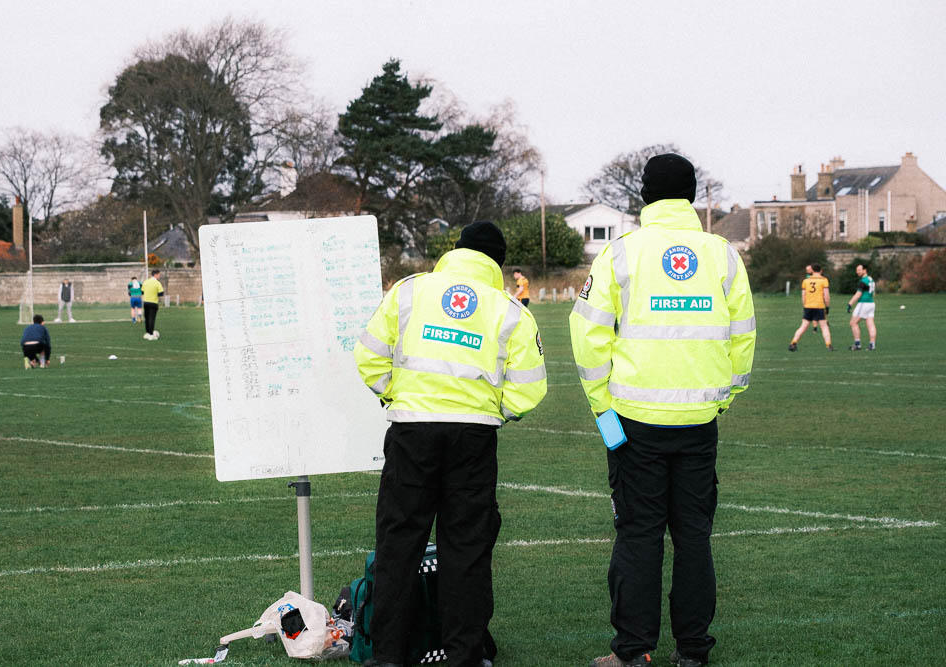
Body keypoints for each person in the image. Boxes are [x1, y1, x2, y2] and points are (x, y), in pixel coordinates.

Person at [569, 154, 755, 667]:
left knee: (639, 536)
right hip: (699, 422)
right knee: (694, 538)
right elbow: (744, 337)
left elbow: (587, 335)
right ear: (691, 196)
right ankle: (693, 652)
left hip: (632, 422)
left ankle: (633, 653)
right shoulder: (723, 254)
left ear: (646, 194)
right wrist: (722, 399)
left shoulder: (621, 253)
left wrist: (602, 410)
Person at [354, 221, 547, 667]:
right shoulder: (509, 308)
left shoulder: (408, 291)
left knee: (399, 543)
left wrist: (395, 395)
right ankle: (465, 654)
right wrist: (495, 411)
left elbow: (368, 355)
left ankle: (388, 655)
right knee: (467, 549)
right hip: (473, 437)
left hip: (411, 430)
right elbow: (530, 388)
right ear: (497, 263)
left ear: (455, 250)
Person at [788, 263, 832, 351]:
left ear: (812, 270)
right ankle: (828, 345)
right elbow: (826, 296)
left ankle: (793, 343)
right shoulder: (824, 280)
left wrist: (804, 306)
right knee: (824, 326)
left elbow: (803, 296)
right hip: (819, 306)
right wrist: (827, 307)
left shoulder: (806, 281)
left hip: (808, 306)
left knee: (803, 326)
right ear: (821, 270)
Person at [847, 263, 876, 350]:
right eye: (857, 270)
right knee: (870, 324)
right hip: (871, 303)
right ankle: (872, 344)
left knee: (853, 323)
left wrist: (850, 303)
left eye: (859, 270)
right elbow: (873, 293)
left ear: (864, 270)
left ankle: (857, 344)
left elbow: (858, 294)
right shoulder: (871, 279)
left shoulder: (863, 281)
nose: (857, 272)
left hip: (864, 303)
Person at [141, 270, 165, 340]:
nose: (159, 276)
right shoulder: (157, 283)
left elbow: (142, 292)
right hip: (153, 303)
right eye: (159, 275)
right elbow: (161, 293)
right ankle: (151, 334)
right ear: (156, 275)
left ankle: (147, 333)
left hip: (146, 302)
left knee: (147, 318)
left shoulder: (146, 282)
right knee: (152, 318)